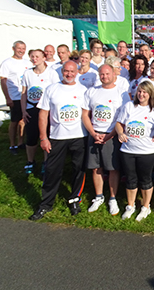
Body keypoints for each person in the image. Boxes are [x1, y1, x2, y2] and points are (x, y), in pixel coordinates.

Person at [29, 61, 88, 220]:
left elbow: (87, 114)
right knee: (52, 171)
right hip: (57, 137)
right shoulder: (51, 89)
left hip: (79, 136)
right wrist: (43, 137)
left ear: (77, 72)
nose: (69, 74)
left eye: (72, 71)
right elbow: (43, 115)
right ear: (62, 71)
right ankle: (46, 204)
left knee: (78, 169)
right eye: (66, 71)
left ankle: (74, 198)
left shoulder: (83, 90)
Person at [82, 64, 131, 215]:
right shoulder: (91, 92)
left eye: (107, 74)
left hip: (112, 135)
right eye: (102, 74)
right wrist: (93, 133)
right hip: (95, 133)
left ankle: (113, 198)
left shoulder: (122, 93)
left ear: (114, 74)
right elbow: (85, 114)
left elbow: (123, 118)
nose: (104, 77)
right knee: (96, 168)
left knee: (113, 169)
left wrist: (110, 135)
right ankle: (98, 196)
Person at [116, 81, 154, 221]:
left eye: (145, 92)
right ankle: (130, 206)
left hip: (147, 151)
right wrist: (120, 133)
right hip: (128, 149)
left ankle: (145, 207)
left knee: (145, 179)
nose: (141, 94)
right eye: (139, 91)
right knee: (130, 179)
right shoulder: (129, 106)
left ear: (150, 94)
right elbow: (119, 123)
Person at [21, 49, 60, 173]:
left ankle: (46, 161)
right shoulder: (27, 73)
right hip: (31, 108)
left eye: (37, 56)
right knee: (31, 136)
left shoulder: (51, 73)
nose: (35, 59)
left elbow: (56, 92)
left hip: (46, 110)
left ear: (44, 58)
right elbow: (23, 93)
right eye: (32, 56)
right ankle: (30, 161)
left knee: (46, 135)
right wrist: (23, 111)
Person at [0, 40, 32, 155]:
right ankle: (12, 144)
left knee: (23, 121)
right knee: (14, 121)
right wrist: (8, 98)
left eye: (23, 49)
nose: (21, 51)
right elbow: (3, 81)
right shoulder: (7, 63)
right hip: (14, 96)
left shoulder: (28, 63)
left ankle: (20, 142)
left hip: (26, 96)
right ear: (13, 48)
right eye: (19, 48)